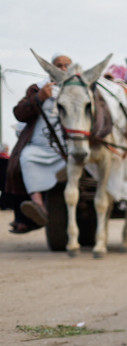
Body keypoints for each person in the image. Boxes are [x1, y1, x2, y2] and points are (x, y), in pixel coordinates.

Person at [5, 54, 72, 233]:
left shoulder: (76, 89)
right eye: (59, 65)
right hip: (38, 147)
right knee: (26, 158)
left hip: (67, 148)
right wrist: (39, 98)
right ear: (51, 67)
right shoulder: (38, 88)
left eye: (67, 66)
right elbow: (19, 113)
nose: (63, 69)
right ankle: (38, 207)